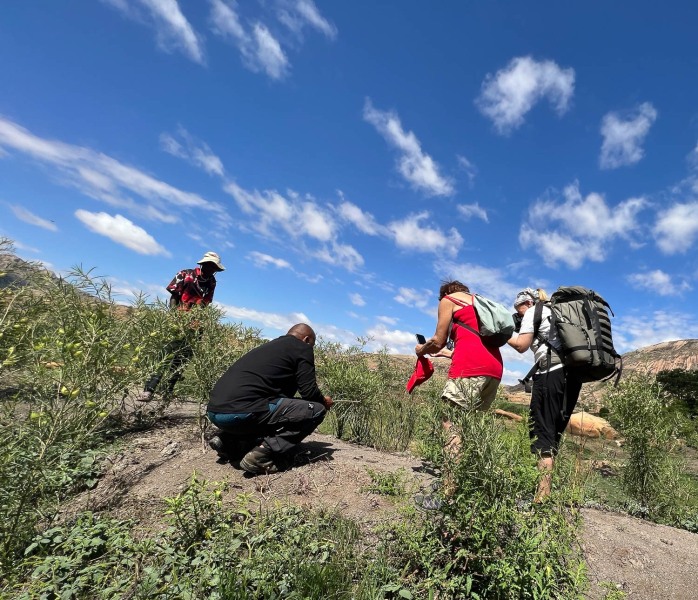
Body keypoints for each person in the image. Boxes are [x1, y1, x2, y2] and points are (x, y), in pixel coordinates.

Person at [413, 281, 504, 509]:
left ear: (445, 294)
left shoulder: (449, 300)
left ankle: (447, 494)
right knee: (471, 427)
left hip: (470, 368)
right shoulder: (479, 303)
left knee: (451, 426)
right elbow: (474, 342)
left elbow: (437, 339)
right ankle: (469, 484)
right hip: (494, 370)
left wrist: (422, 350)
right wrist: (447, 353)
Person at [206, 323, 332, 475]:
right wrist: (323, 401)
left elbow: (280, 399)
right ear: (306, 339)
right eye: (312, 344)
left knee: (271, 408)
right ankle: (260, 456)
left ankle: (228, 441)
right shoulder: (302, 348)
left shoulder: (271, 346)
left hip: (215, 412)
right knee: (316, 410)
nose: (311, 348)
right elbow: (309, 392)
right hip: (238, 415)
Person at [507, 288, 583, 502]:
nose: (519, 315)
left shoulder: (534, 311)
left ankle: (541, 499)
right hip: (571, 377)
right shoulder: (559, 312)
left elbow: (521, 346)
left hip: (549, 375)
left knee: (542, 435)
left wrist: (502, 334)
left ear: (528, 303)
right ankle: (545, 493)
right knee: (554, 434)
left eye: (519, 310)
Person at [135, 251, 225, 403]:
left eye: (214, 267)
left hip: (196, 325)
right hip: (179, 320)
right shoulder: (186, 274)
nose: (211, 269)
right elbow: (174, 297)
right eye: (209, 265)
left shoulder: (211, 282)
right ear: (202, 264)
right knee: (165, 354)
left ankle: (167, 392)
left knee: (181, 360)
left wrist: (201, 325)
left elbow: (205, 304)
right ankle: (148, 390)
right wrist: (174, 317)